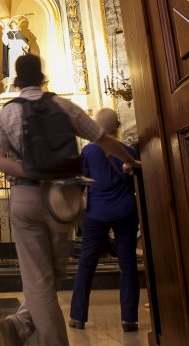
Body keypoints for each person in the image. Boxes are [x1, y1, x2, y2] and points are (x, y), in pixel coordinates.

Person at [0, 54, 140, 346]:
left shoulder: (6, 113)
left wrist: (30, 170)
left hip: (26, 196)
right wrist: (131, 160)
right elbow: (102, 138)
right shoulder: (63, 105)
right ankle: (20, 322)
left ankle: (26, 325)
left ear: (16, 82)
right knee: (54, 274)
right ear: (43, 79)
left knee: (40, 279)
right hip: (63, 200)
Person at [69, 109, 140, 332]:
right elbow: (134, 181)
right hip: (124, 210)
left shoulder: (88, 151)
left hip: (96, 213)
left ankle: (78, 316)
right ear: (116, 126)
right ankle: (129, 319)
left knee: (87, 263)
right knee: (128, 263)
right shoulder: (127, 151)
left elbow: (80, 181)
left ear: (98, 127)